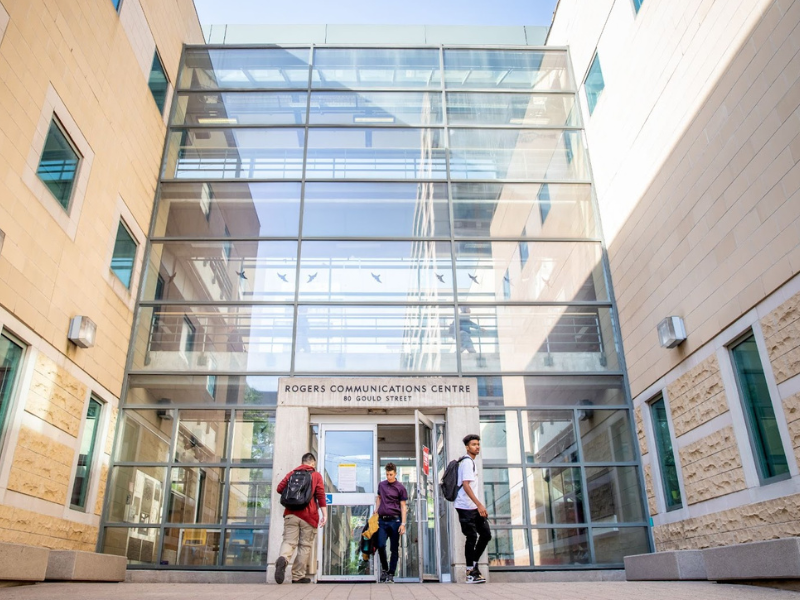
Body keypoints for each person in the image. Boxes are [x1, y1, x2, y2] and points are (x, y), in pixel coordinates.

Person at [274, 452, 327, 584]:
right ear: (313, 463)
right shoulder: (315, 475)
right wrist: (324, 515)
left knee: (289, 541)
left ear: (302, 462)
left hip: (291, 514)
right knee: (304, 545)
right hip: (308, 516)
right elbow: (320, 495)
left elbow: (279, 488)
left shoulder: (291, 473)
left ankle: (283, 558)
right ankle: (297, 576)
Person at [456, 434, 491, 584]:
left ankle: (474, 566)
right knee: (471, 537)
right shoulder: (467, 463)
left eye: (478, 444)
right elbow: (466, 485)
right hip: (465, 506)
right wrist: (480, 504)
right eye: (473, 444)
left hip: (472, 507)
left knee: (486, 534)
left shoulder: (471, 462)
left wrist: (477, 505)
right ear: (467, 447)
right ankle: (470, 573)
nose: (477, 447)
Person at [375, 462, 408, 583]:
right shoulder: (381, 485)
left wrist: (403, 524)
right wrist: (376, 510)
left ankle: (391, 573)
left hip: (395, 521)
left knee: (394, 548)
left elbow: (403, 506)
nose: (389, 477)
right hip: (382, 521)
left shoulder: (400, 487)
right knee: (380, 545)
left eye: (391, 474)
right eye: (387, 474)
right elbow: (379, 498)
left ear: (395, 474)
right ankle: (384, 568)